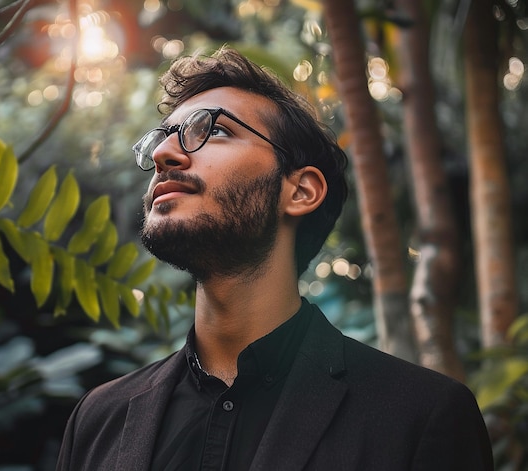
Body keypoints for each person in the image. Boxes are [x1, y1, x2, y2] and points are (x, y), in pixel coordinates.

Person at [56, 47, 493, 470]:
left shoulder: (419, 416)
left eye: (216, 130)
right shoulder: (98, 422)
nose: (163, 154)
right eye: (164, 137)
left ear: (300, 191)